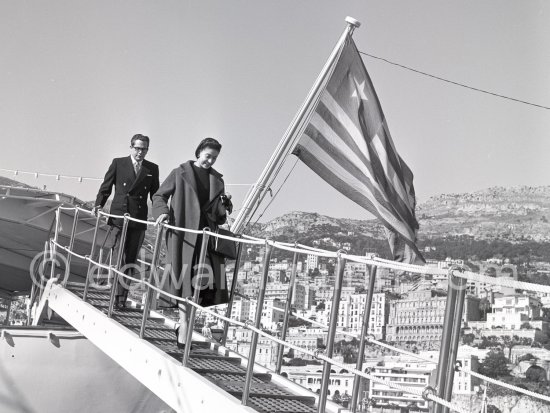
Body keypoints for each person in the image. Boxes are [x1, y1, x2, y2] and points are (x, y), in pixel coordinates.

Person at [152, 137, 232, 348]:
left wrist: (225, 205)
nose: (210, 161)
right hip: (184, 236)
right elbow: (159, 196)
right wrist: (162, 213)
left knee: (200, 282)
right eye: (207, 156)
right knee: (183, 278)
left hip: (206, 238)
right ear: (199, 153)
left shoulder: (218, 181)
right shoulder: (180, 172)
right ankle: (184, 325)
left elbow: (220, 217)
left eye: (214, 158)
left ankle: (183, 325)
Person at [93, 134, 160, 308]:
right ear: (131, 147)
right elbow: (106, 187)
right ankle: (112, 295)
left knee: (130, 259)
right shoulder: (118, 163)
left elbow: (156, 196)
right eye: (137, 148)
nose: (140, 152)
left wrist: (162, 213)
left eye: (144, 149)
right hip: (119, 217)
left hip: (138, 219)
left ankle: (121, 298)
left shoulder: (152, 168)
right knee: (117, 257)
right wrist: (98, 205)